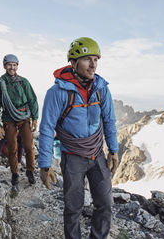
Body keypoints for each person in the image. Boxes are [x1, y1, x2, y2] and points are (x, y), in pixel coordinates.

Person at [38, 37, 119, 239]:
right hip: (73, 156)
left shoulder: (101, 88)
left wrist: (114, 150)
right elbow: (47, 127)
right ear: (73, 63)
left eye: (96, 59)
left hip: (97, 154)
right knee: (73, 207)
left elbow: (109, 120)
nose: (93, 65)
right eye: (87, 59)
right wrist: (44, 164)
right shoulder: (57, 93)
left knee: (106, 204)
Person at [0, 54, 39, 186]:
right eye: (9, 65)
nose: (12, 67)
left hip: (24, 117)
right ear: (5, 66)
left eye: (14, 65)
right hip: (8, 118)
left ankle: (30, 171)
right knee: (12, 148)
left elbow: (32, 100)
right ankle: (15, 173)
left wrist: (34, 118)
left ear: (17, 66)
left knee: (29, 146)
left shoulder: (24, 82)